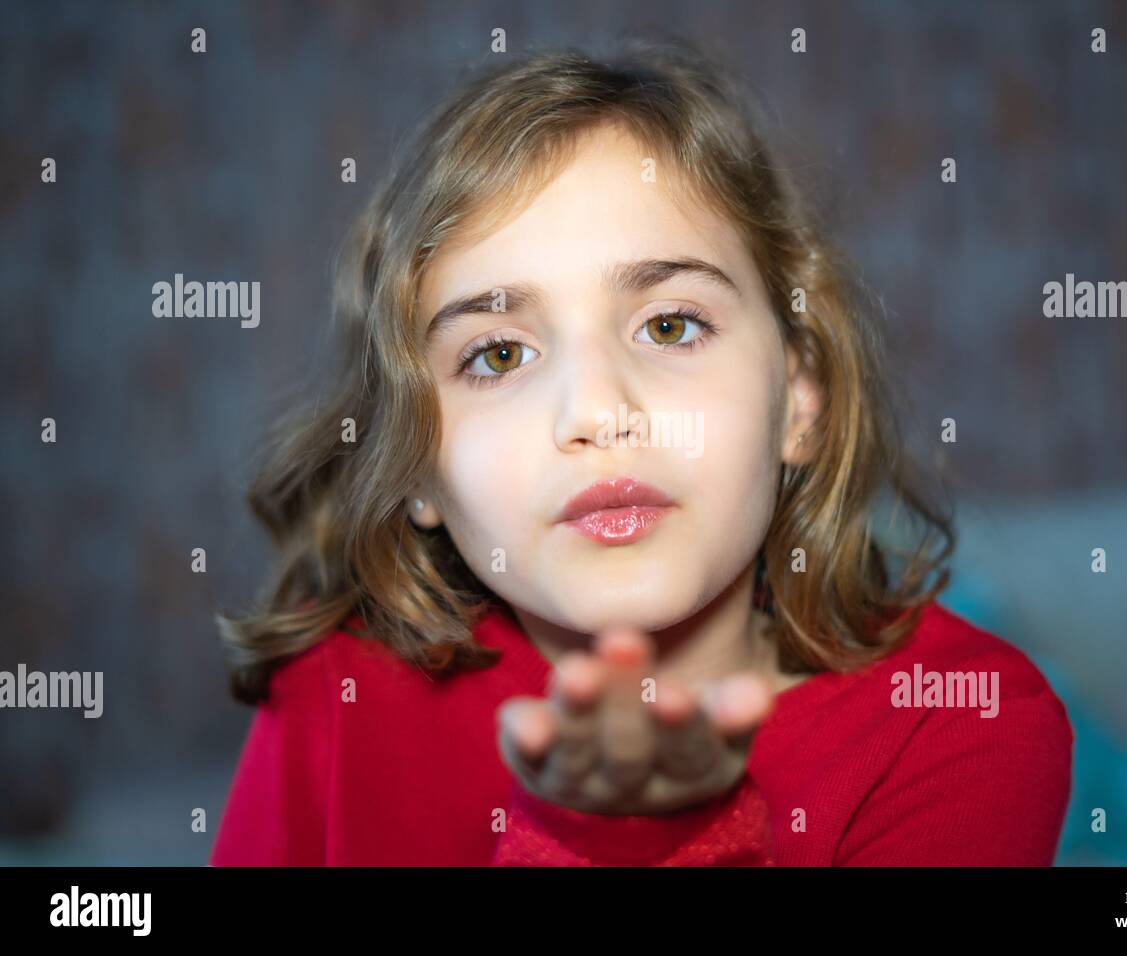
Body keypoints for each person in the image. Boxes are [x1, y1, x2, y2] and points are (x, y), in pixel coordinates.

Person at [209, 40, 1072, 866]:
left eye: (670, 325)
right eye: (500, 354)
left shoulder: (963, 722)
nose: (598, 412)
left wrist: (650, 843)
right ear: (416, 468)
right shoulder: (336, 698)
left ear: (799, 399)